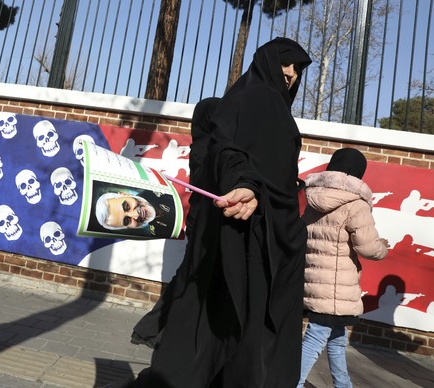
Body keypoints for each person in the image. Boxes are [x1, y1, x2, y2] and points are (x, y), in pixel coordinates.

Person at [131, 37, 312, 388]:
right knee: (232, 334)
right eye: (286, 64)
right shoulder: (248, 100)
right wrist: (245, 184)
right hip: (246, 238)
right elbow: (228, 151)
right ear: (266, 62)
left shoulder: (276, 109)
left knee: (236, 335)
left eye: (299, 69)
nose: (291, 73)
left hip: (275, 240)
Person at [130, 96, 222, 349]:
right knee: (190, 279)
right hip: (204, 224)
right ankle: (155, 333)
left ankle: (149, 331)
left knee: (188, 277)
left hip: (203, 223)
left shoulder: (204, 145)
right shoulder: (207, 148)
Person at [298, 148, 389, 388]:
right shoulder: (356, 205)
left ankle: (343, 385)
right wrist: (383, 247)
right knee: (316, 337)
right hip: (336, 285)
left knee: (337, 338)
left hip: (315, 279)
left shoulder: (313, 199)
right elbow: (368, 248)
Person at [94, 189, 176, 238]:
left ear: (125, 194)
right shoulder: (157, 232)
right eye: (127, 221)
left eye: (127, 206)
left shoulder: (153, 189)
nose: (136, 215)